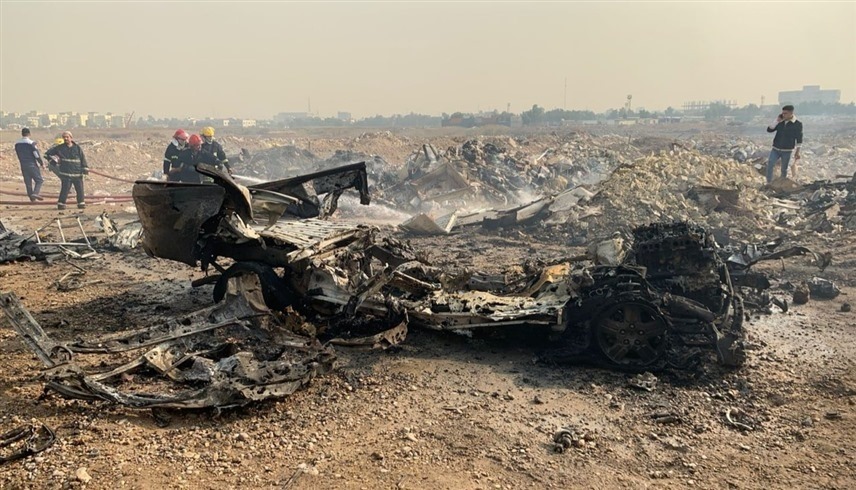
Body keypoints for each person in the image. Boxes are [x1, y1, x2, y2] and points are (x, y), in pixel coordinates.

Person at [45, 131, 88, 210]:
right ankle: (61, 204)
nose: (65, 138)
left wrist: (85, 169)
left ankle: (81, 204)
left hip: (77, 174)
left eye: (67, 137)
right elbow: (46, 155)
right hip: (66, 174)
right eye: (64, 137)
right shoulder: (59, 148)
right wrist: (53, 161)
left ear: (71, 138)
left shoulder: (77, 148)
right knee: (65, 190)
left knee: (80, 190)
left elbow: (82, 158)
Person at [766, 105, 803, 183]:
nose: (783, 115)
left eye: (785, 113)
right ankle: (768, 182)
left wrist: (797, 151)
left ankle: (781, 183)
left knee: (784, 169)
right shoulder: (780, 122)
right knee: (770, 164)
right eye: (782, 113)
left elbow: (799, 138)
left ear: (791, 113)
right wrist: (777, 120)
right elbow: (769, 130)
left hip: (787, 150)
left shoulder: (797, 124)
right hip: (776, 149)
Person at [14, 128, 45, 202]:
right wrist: (41, 163)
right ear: (29, 134)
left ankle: (32, 198)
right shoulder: (31, 143)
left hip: (23, 165)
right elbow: (36, 155)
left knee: (28, 182)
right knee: (39, 180)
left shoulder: (17, 144)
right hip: (32, 164)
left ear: (22, 134)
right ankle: (35, 193)